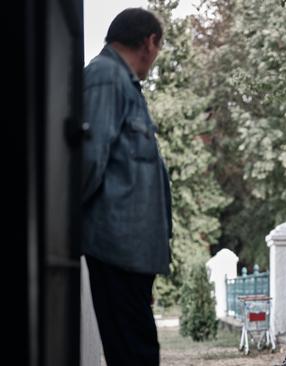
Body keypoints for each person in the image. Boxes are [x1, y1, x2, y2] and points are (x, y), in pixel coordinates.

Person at [81, 8, 169, 366]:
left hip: (130, 253)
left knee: (137, 352)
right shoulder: (106, 77)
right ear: (149, 42)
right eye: (158, 47)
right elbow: (89, 160)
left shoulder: (121, 81)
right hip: (116, 248)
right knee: (136, 355)